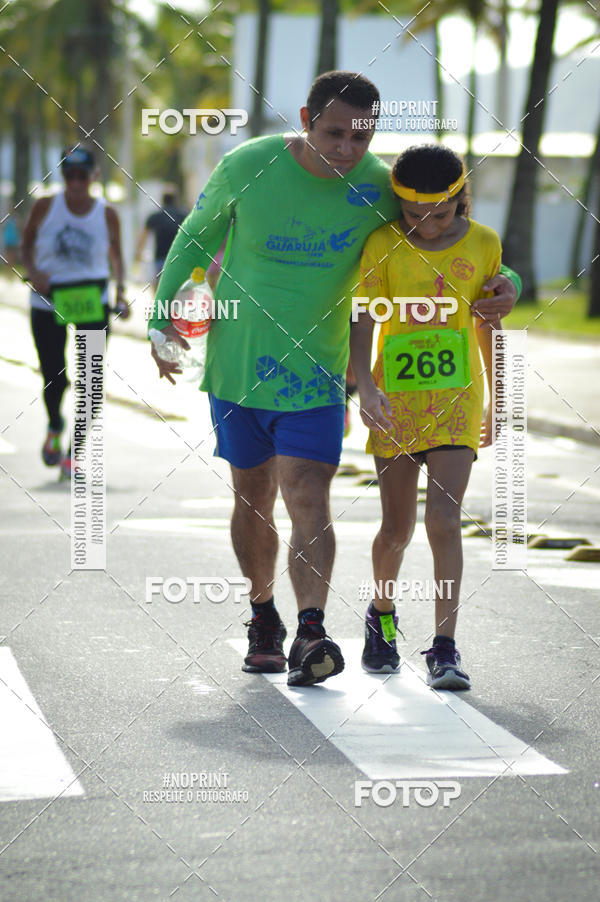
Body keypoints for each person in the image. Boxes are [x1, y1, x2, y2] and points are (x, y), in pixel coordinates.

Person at [148, 71, 520, 687]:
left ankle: (312, 631)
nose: (349, 148)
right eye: (335, 133)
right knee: (254, 497)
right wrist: (164, 321)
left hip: (318, 374)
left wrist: (509, 284)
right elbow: (196, 236)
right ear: (305, 117)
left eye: (362, 136)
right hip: (238, 369)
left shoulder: (381, 185)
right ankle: (263, 614)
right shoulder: (250, 165)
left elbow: (450, 241)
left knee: (307, 494)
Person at [350, 143, 506, 690]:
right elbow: (363, 317)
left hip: (458, 402)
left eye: (438, 214)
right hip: (395, 402)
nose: (425, 225)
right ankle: (381, 617)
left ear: (460, 201)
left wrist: (500, 395)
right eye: (413, 214)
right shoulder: (383, 244)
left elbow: (488, 322)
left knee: (443, 520)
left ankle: (444, 646)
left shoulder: (485, 244)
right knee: (396, 529)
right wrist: (363, 384)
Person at [22, 145, 129, 479]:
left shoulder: (107, 213)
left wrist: (121, 292)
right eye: (71, 175)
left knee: (92, 383)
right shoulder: (45, 206)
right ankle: (55, 423)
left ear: (94, 176)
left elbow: (117, 256)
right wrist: (33, 272)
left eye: (83, 175)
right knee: (55, 376)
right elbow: (25, 245)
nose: (77, 182)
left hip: (91, 299)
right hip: (49, 299)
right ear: (63, 176)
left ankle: (73, 452)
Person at [135, 191, 187, 291]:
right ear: (176, 200)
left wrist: (138, 254)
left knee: (159, 287)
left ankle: (159, 305)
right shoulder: (183, 216)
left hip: (160, 257)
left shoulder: (155, 216)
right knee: (178, 288)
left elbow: (143, 237)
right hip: (179, 257)